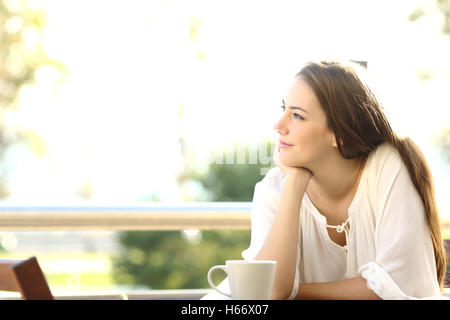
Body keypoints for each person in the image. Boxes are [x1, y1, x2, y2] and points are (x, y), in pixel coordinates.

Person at [203, 60, 447, 300]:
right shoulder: (276, 186)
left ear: (338, 135)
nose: (278, 126)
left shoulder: (387, 165)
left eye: (297, 116)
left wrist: (296, 292)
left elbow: (393, 288)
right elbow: (271, 292)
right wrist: (294, 186)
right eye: (283, 109)